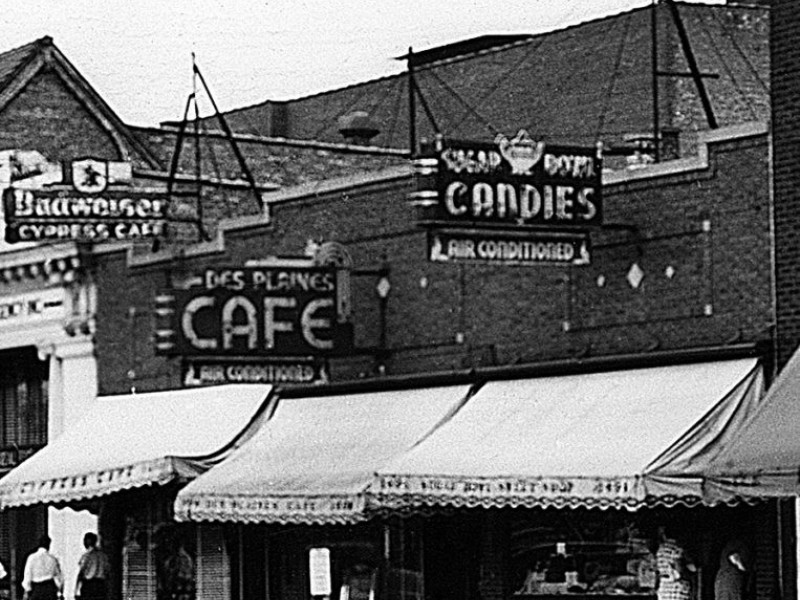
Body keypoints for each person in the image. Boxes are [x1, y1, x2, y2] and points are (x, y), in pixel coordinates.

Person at [655, 526, 695, 600]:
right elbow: (679, 569)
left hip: (664, 586)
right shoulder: (677, 548)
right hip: (676, 586)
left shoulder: (660, 549)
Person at [22, 535, 64, 600]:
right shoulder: (52, 559)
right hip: (50, 588)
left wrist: (27, 589)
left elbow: (27, 574)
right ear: (49, 545)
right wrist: (59, 590)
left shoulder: (32, 558)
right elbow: (58, 577)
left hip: (36, 588)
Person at [76, 532, 110, 600]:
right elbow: (107, 572)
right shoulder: (103, 556)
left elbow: (81, 572)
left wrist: (77, 589)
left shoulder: (86, 556)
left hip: (89, 586)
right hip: (100, 586)